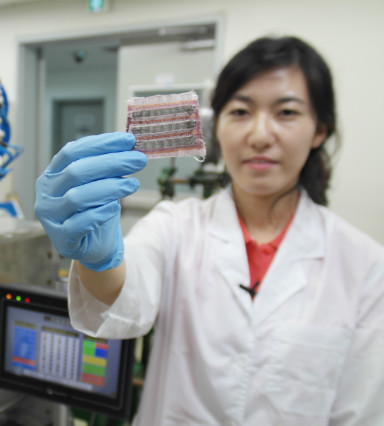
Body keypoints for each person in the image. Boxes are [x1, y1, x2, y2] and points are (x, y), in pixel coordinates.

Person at [34, 36, 384, 425]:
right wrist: (97, 261)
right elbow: (126, 295)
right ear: (216, 127)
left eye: (286, 112)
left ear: (319, 130)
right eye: (240, 111)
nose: (259, 135)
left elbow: (361, 412)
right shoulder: (175, 226)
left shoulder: (365, 266)